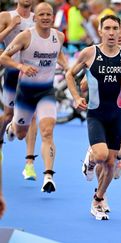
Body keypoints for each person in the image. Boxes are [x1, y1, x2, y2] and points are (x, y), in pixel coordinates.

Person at [66, 15, 121, 220]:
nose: (112, 32)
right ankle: (91, 157)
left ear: (120, 31)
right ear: (100, 30)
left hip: (118, 115)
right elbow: (70, 75)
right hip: (96, 114)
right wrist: (77, 96)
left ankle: (98, 199)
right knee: (100, 156)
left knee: (110, 164)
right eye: (108, 28)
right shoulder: (90, 53)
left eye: (115, 28)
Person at [0, 2, 68, 193]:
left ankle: (48, 176)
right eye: (42, 14)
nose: (46, 17)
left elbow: (59, 55)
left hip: (46, 92)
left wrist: (67, 66)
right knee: (20, 133)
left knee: (47, 131)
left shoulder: (59, 36)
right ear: (35, 18)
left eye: (49, 14)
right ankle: (13, 126)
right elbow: (3, 57)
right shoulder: (25, 35)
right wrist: (21, 67)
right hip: (25, 92)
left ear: (52, 17)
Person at [0, 0, 39, 181]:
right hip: (12, 70)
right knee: (8, 114)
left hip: (32, 74)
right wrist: (11, 27)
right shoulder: (6, 16)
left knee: (32, 116)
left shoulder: (38, 17)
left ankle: (29, 165)